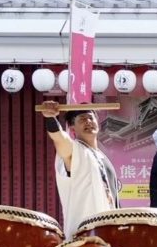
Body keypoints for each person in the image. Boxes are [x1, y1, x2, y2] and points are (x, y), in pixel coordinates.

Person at [40, 102, 120, 239]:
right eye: (82, 119)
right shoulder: (76, 151)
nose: (88, 122)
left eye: (91, 118)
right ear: (72, 127)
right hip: (84, 234)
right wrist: (50, 119)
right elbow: (60, 139)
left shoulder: (102, 156)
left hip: (109, 231)